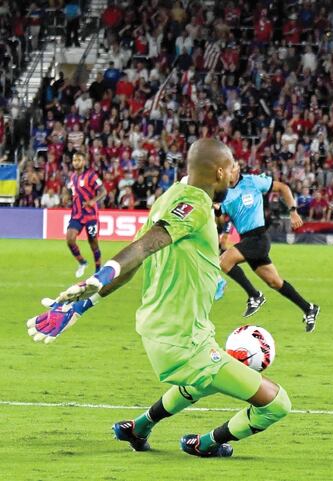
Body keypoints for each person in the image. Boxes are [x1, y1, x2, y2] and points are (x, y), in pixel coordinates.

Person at [26, 139, 291, 458]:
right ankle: (205, 443)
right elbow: (145, 245)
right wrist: (101, 275)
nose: (235, 174)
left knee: (199, 384)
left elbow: (136, 256)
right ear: (220, 172)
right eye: (233, 168)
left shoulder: (168, 198)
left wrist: (83, 305)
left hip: (169, 331)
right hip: (184, 343)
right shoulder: (195, 205)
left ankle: (138, 428)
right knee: (277, 403)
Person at [218, 170, 320, 331]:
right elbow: (220, 221)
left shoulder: (252, 181)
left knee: (224, 261)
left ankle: (254, 295)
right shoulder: (223, 194)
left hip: (258, 238)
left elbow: (283, 187)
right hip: (247, 241)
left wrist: (293, 211)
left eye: (232, 167)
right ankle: (309, 308)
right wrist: (217, 210)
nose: (229, 172)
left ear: (236, 169)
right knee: (275, 282)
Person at [66, 152, 106, 277]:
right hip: (76, 214)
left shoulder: (91, 175)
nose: (76, 162)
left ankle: (98, 269)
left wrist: (93, 201)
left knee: (93, 242)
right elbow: (73, 192)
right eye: (74, 160)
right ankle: (82, 262)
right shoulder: (72, 177)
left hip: (90, 215)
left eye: (78, 160)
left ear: (84, 162)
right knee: (70, 239)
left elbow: (103, 191)